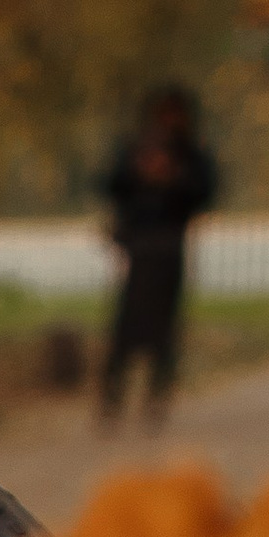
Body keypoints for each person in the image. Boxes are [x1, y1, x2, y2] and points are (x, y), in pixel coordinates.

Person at [98, 83, 217, 420]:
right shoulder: (136, 148)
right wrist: (141, 173)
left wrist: (173, 178)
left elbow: (204, 191)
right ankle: (113, 393)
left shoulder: (190, 154)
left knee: (164, 325)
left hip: (169, 243)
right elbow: (113, 184)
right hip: (138, 244)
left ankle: (156, 394)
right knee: (126, 323)